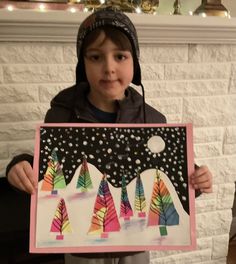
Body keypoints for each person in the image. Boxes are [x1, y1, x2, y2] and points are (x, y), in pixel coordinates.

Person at [6, 6, 212, 264]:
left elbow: (169, 179)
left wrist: (196, 178)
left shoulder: (152, 120)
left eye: (120, 56)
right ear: (82, 65)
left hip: (135, 247)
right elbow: (45, 172)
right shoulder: (61, 116)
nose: (109, 68)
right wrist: (19, 166)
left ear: (135, 63)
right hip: (80, 248)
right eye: (95, 57)